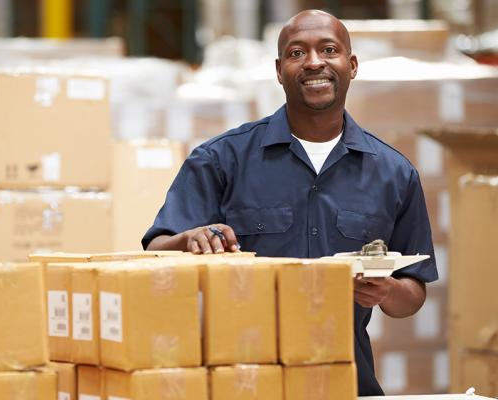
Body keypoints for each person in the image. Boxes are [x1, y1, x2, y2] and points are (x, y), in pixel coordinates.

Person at [142, 9, 438, 396]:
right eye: (298, 53)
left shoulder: (395, 174)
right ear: (280, 70)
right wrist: (189, 239)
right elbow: (154, 253)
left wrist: (386, 292)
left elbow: (412, 292)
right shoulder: (220, 160)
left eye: (328, 50)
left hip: (345, 382)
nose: (314, 62)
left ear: (351, 65)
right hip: (244, 382)